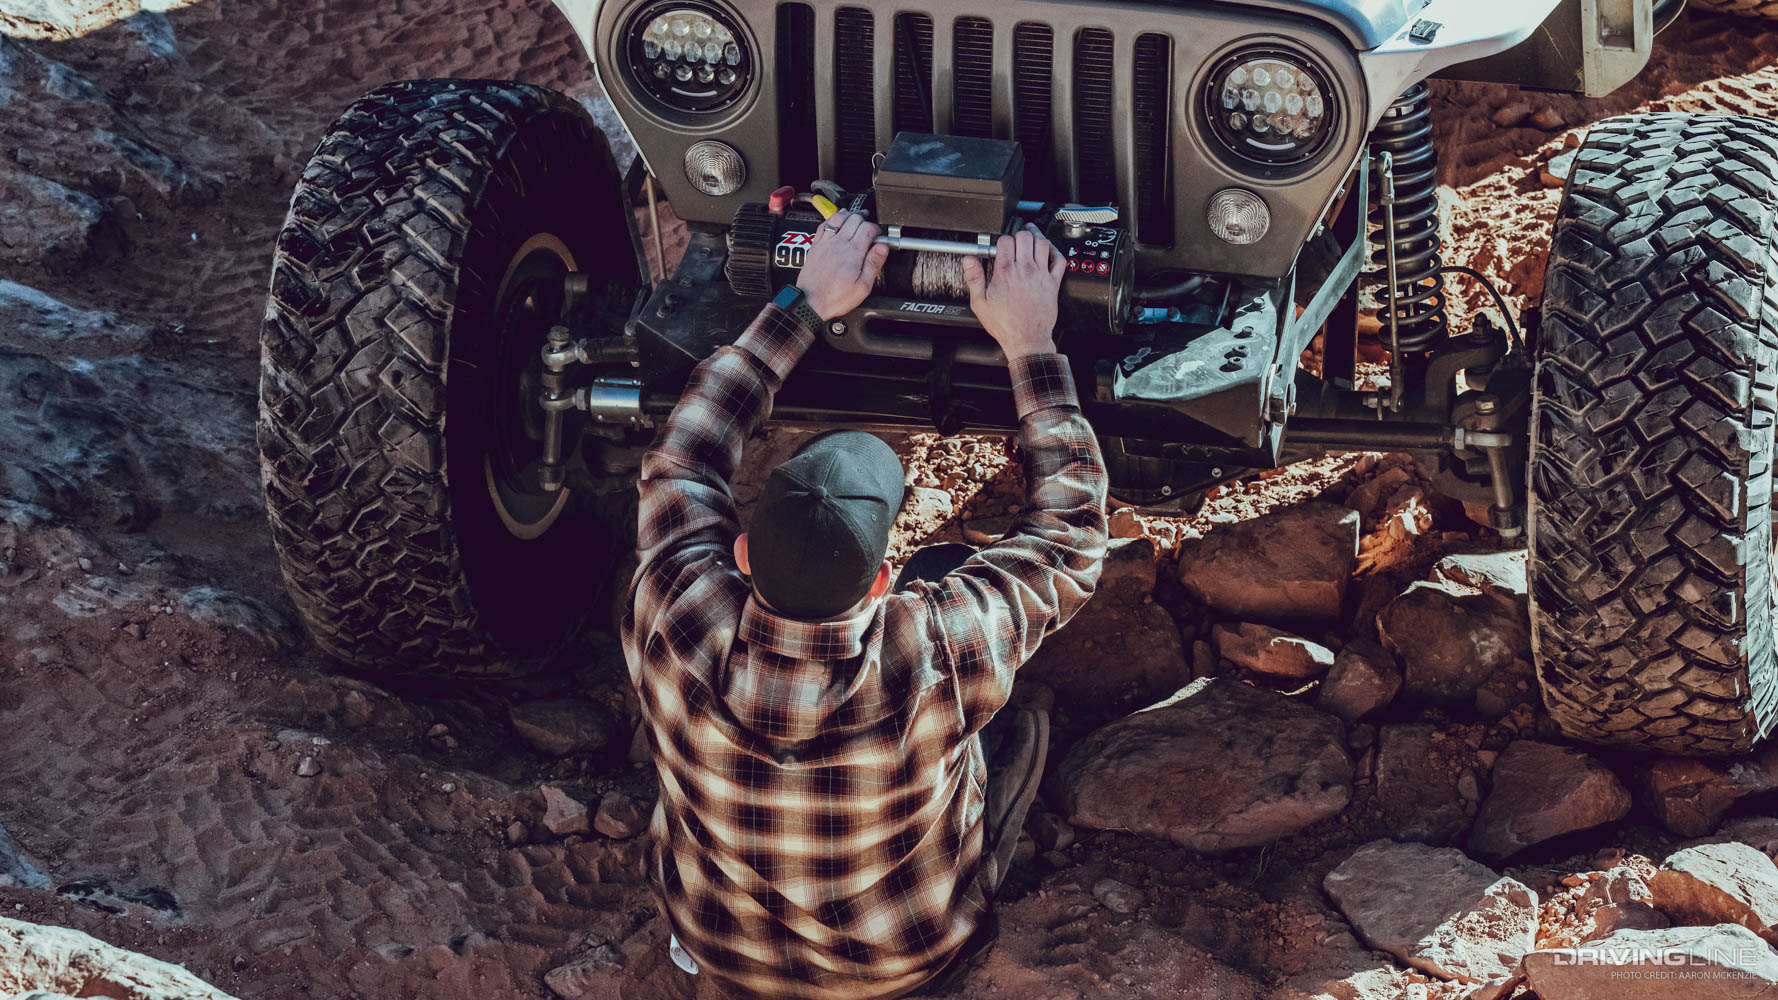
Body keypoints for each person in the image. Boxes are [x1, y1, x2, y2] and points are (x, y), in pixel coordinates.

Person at [621, 208, 1109, 1000]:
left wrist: (803, 301)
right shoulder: (936, 651)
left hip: (720, 948)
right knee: (963, 586)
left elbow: (685, 454)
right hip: (901, 966)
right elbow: (1071, 536)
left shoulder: (675, 610)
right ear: (885, 584)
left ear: (744, 554)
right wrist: (1031, 342)